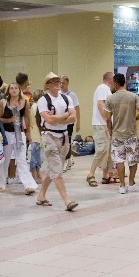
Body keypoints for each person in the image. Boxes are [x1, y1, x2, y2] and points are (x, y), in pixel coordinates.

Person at [36, 72, 78, 210]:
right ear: (47, 85)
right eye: (53, 81)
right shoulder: (43, 100)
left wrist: (57, 118)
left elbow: (73, 117)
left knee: (52, 169)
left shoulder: (66, 98)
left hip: (64, 137)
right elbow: (48, 120)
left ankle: (41, 195)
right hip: (49, 136)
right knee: (57, 169)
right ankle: (66, 200)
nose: (57, 83)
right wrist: (65, 115)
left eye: (58, 81)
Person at [105, 73, 139, 194]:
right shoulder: (133, 96)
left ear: (115, 83)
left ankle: (122, 186)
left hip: (117, 134)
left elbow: (108, 118)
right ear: (124, 82)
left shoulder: (110, 98)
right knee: (133, 159)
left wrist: (110, 130)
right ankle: (131, 184)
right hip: (131, 134)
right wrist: (133, 119)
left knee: (119, 160)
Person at [0, 82, 37, 194]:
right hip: (6, 134)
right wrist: (9, 120)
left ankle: (29, 185)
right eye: (11, 88)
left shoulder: (25, 102)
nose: (13, 90)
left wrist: (28, 133)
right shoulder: (3, 102)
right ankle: (1, 184)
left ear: (19, 90)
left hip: (19, 134)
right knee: (5, 160)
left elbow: (26, 118)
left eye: (16, 88)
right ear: (8, 91)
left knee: (22, 160)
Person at [86, 72, 115, 187]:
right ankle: (91, 174)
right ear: (110, 79)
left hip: (104, 124)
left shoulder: (107, 90)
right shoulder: (103, 87)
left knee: (107, 150)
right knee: (101, 149)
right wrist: (107, 120)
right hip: (101, 124)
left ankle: (105, 175)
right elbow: (100, 104)